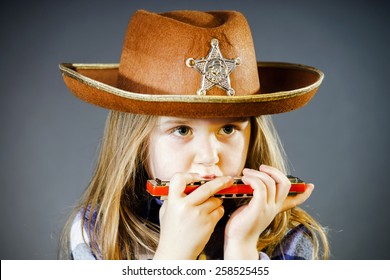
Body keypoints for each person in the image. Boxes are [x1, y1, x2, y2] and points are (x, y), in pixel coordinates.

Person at [59, 9, 329, 260]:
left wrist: (242, 246)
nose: (209, 157)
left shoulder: (289, 236)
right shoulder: (97, 232)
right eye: (182, 130)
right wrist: (173, 257)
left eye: (228, 129)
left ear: (253, 135)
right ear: (137, 142)